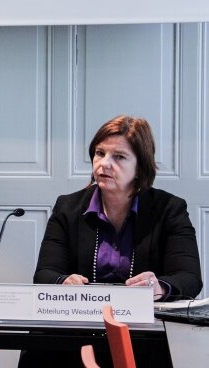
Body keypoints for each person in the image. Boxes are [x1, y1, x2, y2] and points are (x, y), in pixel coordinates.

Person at [19, 115, 203, 367]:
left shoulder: (169, 209)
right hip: (77, 331)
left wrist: (159, 286)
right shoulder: (68, 207)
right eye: (99, 153)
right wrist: (63, 281)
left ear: (141, 167)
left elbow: (190, 277)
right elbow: (44, 274)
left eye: (119, 157)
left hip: (142, 335)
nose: (104, 164)